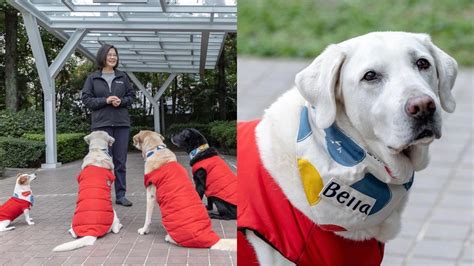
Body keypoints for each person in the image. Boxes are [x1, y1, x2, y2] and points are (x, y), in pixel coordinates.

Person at [81, 44, 135, 207]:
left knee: (120, 161)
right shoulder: (92, 78)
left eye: (115, 55)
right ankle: (102, 194)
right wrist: (105, 100)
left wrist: (122, 101)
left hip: (121, 125)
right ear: (103, 56)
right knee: (101, 161)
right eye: (110, 55)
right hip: (101, 126)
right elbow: (86, 100)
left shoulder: (122, 77)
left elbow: (131, 97)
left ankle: (120, 195)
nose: (113, 57)